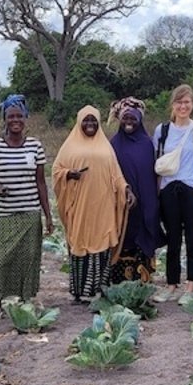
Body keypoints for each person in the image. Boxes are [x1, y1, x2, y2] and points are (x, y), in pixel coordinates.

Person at [53, 105, 136, 304]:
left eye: (93, 121)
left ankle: (98, 290)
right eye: (86, 120)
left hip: (103, 206)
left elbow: (115, 174)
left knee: (102, 245)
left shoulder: (105, 147)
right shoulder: (69, 146)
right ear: (79, 122)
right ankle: (79, 292)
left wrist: (126, 189)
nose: (90, 124)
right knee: (79, 243)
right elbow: (56, 170)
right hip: (79, 206)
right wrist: (69, 174)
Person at [0, 94, 54, 306]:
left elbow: (41, 182)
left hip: (31, 212)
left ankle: (25, 297)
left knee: (28, 258)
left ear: (25, 118)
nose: (15, 120)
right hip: (7, 213)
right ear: (4, 119)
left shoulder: (35, 146)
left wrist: (48, 215)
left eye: (19, 116)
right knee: (3, 257)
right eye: (11, 116)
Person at [152, 84, 193, 305]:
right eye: (179, 102)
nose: (183, 106)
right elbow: (158, 165)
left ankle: (191, 284)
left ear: (192, 104)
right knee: (173, 238)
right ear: (173, 105)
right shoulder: (162, 131)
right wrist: (157, 195)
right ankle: (171, 284)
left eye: (187, 102)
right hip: (169, 189)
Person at [108, 97, 163, 284]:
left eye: (133, 119)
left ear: (139, 121)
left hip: (146, 202)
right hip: (123, 203)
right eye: (125, 118)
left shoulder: (147, 144)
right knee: (124, 237)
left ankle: (142, 280)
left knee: (143, 236)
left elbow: (154, 174)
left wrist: (155, 201)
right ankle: (120, 282)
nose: (129, 122)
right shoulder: (113, 144)